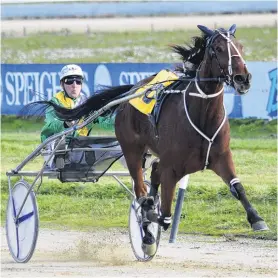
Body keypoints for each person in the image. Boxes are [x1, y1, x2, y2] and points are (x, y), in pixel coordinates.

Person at [41, 64, 91, 142]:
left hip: (80, 145)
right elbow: (49, 125)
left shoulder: (87, 102)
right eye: (69, 81)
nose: (74, 85)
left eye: (78, 81)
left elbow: (104, 122)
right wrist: (65, 123)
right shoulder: (55, 102)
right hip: (56, 146)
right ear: (62, 84)